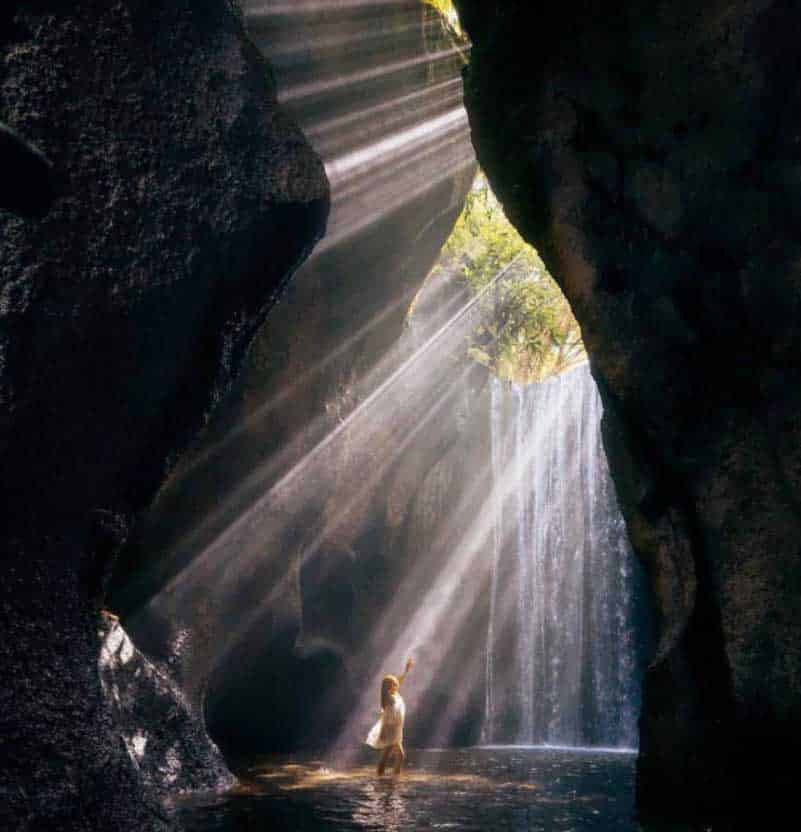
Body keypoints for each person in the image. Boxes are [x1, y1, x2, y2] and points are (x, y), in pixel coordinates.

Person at [365, 657, 413, 775]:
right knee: (388, 755)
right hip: (390, 729)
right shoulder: (388, 697)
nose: (396, 685)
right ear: (389, 686)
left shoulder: (393, 693)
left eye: (395, 684)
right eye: (393, 684)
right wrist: (383, 732)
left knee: (400, 755)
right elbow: (385, 717)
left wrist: (406, 670)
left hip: (396, 728)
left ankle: (394, 776)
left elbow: (399, 681)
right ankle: (380, 776)